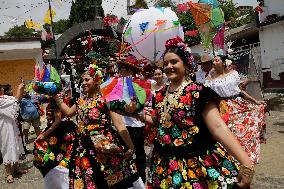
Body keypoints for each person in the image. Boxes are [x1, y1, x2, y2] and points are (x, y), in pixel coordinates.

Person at [126, 37, 255, 188]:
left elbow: (218, 127)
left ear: (186, 64)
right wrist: (134, 114)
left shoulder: (199, 92)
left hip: (195, 166)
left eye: (174, 62)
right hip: (164, 166)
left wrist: (246, 163)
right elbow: (159, 121)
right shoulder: (160, 95)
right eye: (165, 63)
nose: (168, 66)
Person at [54, 64, 140, 189]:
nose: (83, 83)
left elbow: (119, 123)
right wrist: (57, 97)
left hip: (103, 147)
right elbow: (68, 113)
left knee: (108, 180)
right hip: (83, 147)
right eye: (82, 80)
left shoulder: (106, 98)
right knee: (90, 181)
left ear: (96, 80)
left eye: (86, 80)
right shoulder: (81, 100)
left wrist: (131, 147)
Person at [205, 55, 266, 164]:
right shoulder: (209, 79)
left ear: (223, 63)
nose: (214, 62)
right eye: (213, 60)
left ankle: (245, 157)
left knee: (242, 130)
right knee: (228, 132)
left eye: (217, 60)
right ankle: (232, 159)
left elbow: (240, 91)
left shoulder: (233, 75)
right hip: (222, 108)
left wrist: (255, 101)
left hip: (237, 105)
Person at [33, 93, 77, 189]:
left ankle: (62, 185)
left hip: (60, 133)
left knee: (58, 162)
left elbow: (57, 121)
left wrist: (45, 134)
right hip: (60, 131)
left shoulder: (56, 100)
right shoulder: (53, 100)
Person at [118, 60, 147, 183]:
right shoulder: (117, 83)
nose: (120, 70)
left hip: (135, 124)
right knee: (124, 153)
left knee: (138, 152)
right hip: (121, 124)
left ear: (129, 70)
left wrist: (127, 109)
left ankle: (141, 177)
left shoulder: (137, 83)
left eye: (122, 68)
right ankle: (128, 178)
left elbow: (139, 104)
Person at [0, 82, 27, 183]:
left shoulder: (5, 98)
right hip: (4, 128)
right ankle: (8, 173)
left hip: (12, 126)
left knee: (16, 145)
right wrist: (20, 89)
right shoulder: (1, 101)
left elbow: (16, 99)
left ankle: (16, 168)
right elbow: (16, 100)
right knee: (7, 147)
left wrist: (21, 90)